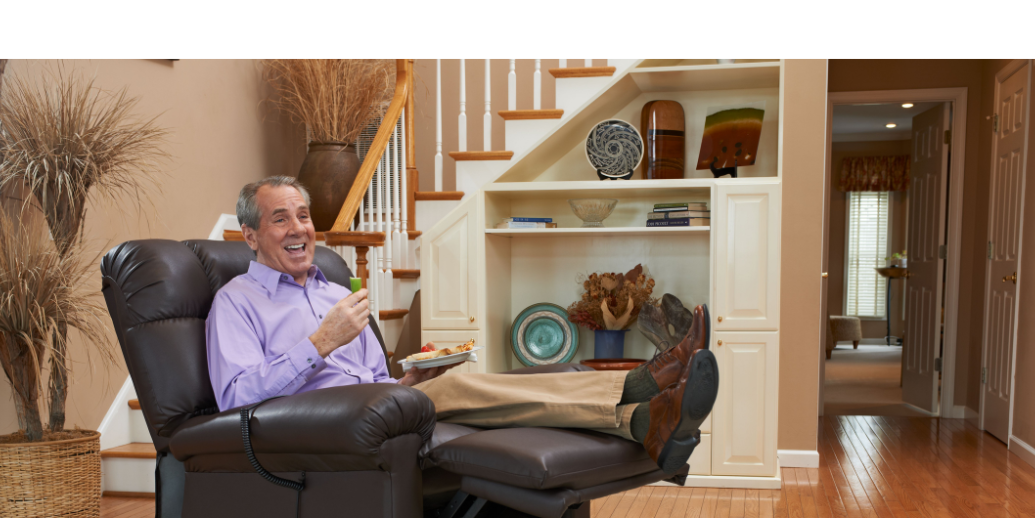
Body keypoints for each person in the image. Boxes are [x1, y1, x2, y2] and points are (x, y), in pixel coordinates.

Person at [206, 177, 718, 474]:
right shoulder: (235, 302)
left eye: (303, 215)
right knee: (466, 389)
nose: (299, 229)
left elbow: (372, 380)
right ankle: (646, 384)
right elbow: (236, 398)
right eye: (280, 219)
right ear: (250, 235)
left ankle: (643, 418)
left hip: (372, 408)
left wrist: (406, 381)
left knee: (529, 377)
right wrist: (319, 344)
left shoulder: (336, 292)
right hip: (315, 426)